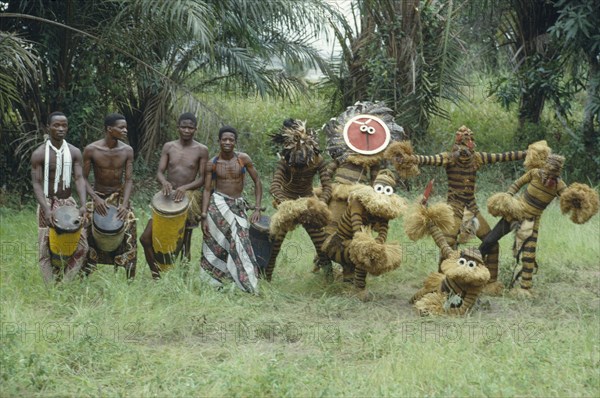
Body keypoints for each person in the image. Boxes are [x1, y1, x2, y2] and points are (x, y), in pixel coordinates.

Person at [388, 126, 529, 294]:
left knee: (491, 243)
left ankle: (491, 282)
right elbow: (428, 159)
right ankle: (441, 284)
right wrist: (409, 158)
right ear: (457, 143)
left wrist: (527, 153)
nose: (465, 149)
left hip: (472, 208)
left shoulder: (477, 158)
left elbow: (503, 156)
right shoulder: (449, 158)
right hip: (453, 209)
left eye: (469, 142)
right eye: (463, 142)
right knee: (448, 246)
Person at [479, 153, 598, 296]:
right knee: (489, 240)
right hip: (516, 212)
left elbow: (567, 199)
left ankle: (525, 288)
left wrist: (580, 203)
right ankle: (470, 267)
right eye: (550, 168)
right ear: (545, 165)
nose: (551, 173)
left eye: (555, 170)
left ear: (559, 170)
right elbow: (517, 183)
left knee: (528, 256)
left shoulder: (559, 186)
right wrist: (508, 196)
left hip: (532, 221)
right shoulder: (534, 173)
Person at [139, 112, 209, 278]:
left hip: (187, 199)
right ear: (178, 128)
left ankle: (184, 280)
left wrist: (185, 188)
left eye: (190, 128)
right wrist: (164, 182)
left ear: (195, 129)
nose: (186, 130)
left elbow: (202, 179)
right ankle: (156, 275)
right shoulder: (169, 146)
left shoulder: (201, 150)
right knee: (145, 238)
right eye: (183, 127)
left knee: (185, 242)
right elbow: (159, 172)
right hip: (167, 198)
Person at [265, 119, 333, 281]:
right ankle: (266, 276)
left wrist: (320, 203)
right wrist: (286, 203)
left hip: (309, 203)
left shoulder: (318, 160)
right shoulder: (285, 160)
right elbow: (275, 186)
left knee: (321, 243)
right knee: (275, 243)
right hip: (288, 201)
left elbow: (327, 187)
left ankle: (329, 278)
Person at [199, 125, 262, 294]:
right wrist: (204, 216)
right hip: (217, 205)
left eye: (231, 140)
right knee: (215, 242)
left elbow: (257, 181)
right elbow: (206, 190)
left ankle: (247, 285)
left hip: (237, 206)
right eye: (224, 139)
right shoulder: (212, 163)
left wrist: (257, 208)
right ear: (219, 141)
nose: (227, 142)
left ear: (235, 142)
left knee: (242, 243)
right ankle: (213, 284)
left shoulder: (243, 159)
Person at [31, 111, 88, 283]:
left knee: (82, 246)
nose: (61, 128)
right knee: (45, 247)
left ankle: (65, 283)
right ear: (48, 127)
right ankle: (51, 287)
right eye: (56, 125)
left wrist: (83, 204)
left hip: (68, 203)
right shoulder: (39, 153)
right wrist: (46, 209)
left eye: (64, 125)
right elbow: (37, 184)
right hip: (47, 203)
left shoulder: (74, 152)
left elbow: (78, 178)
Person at [82, 113, 136, 280]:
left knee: (130, 227)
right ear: (109, 129)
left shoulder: (127, 150)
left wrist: (125, 204)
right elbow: (81, 178)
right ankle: (84, 274)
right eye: (121, 127)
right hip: (97, 195)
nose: (125, 130)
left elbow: (128, 180)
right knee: (85, 230)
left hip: (118, 197)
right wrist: (95, 199)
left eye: (125, 127)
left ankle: (130, 280)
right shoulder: (91, 149)